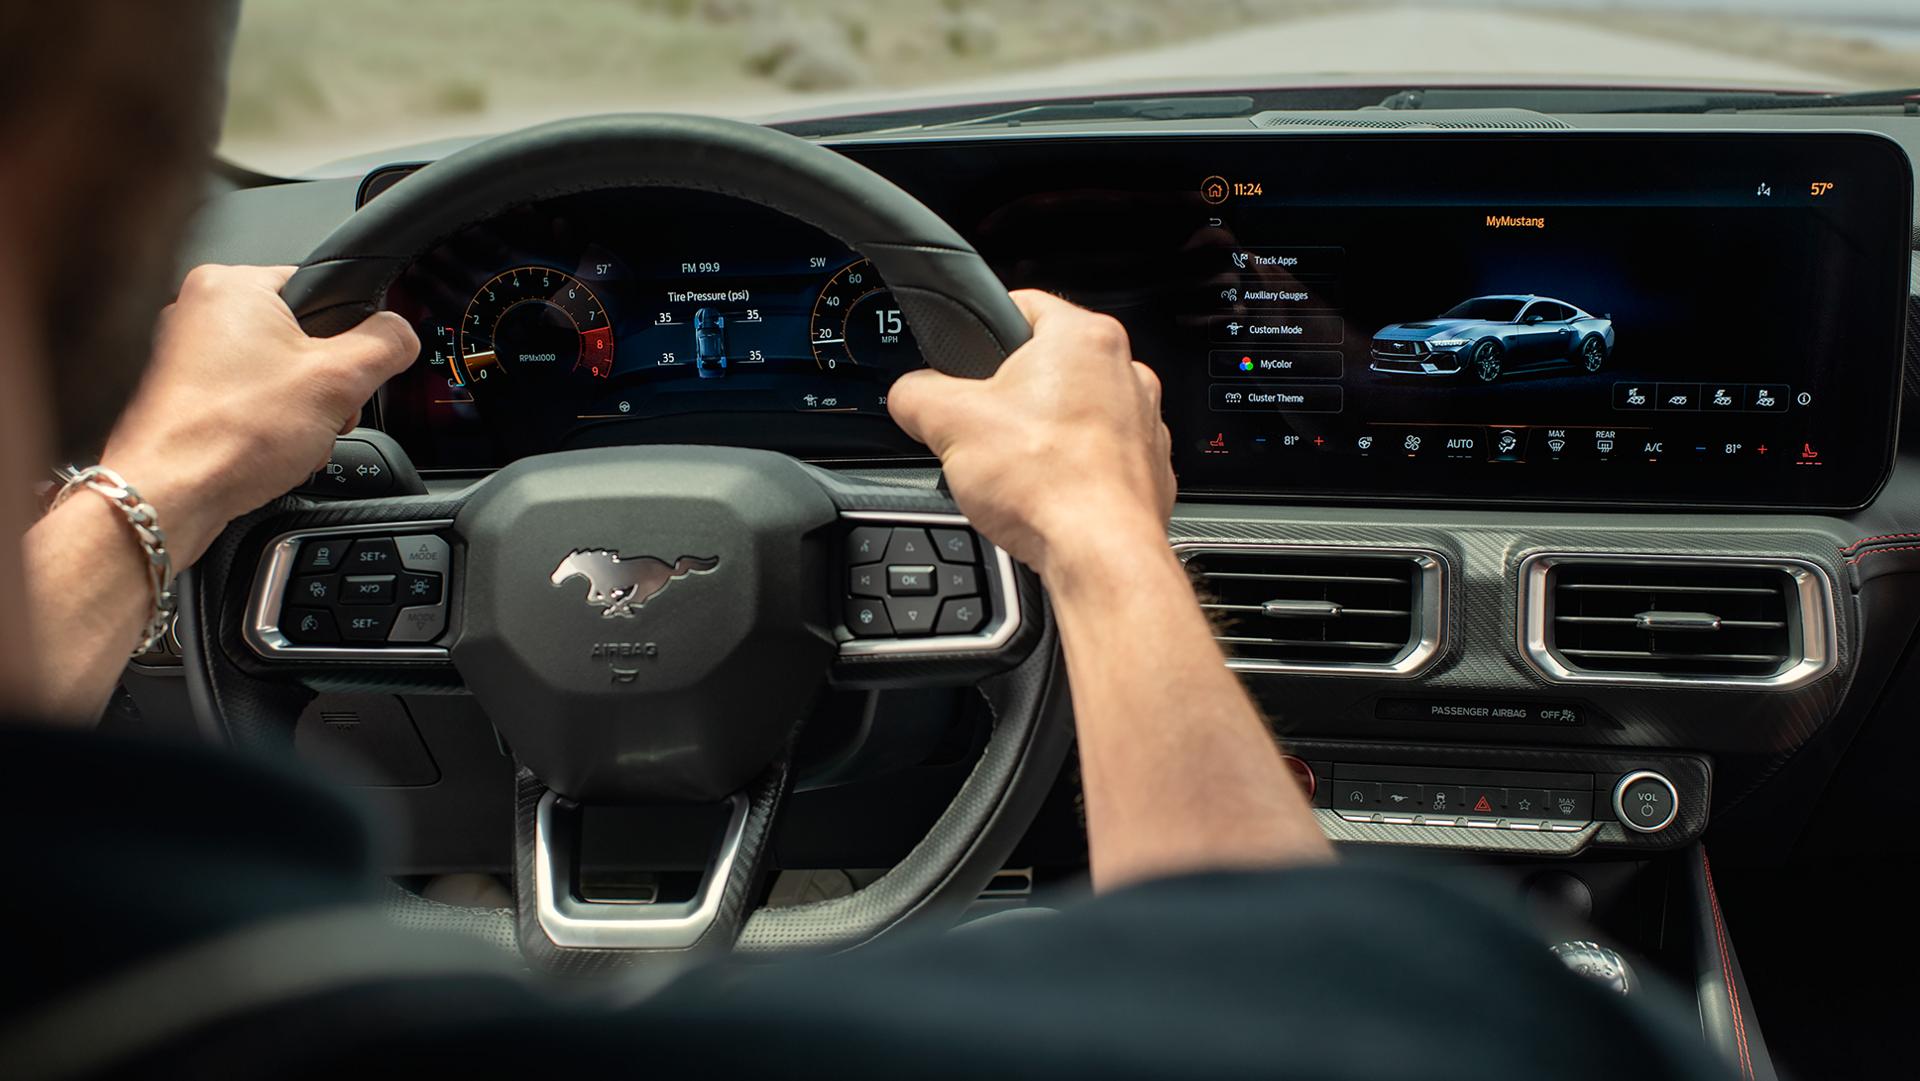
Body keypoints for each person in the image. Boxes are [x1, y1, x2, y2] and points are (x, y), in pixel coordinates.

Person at [0, 4, 1735, 1079]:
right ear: (104, 212)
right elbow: (1358, 1022)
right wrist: (1105, 543)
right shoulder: (1487, 1022)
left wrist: (156, 491)